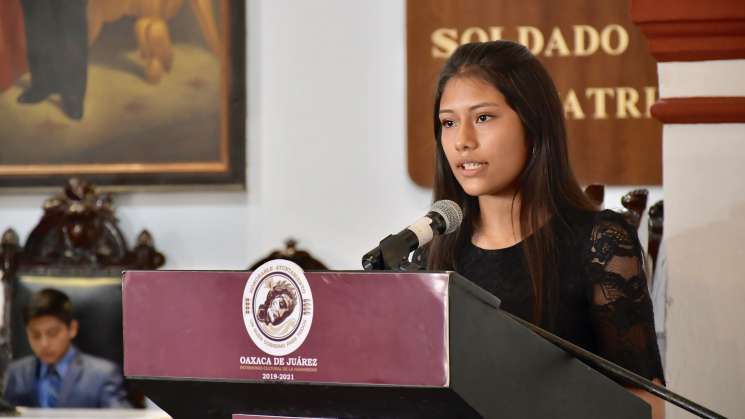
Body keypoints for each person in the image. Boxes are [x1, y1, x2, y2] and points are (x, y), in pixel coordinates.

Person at [415, 40, 665, 418]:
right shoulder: (429, 257)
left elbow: (646, 401)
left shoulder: (599, 242)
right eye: (448, 122)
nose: (462, 140)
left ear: (533, 124)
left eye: (483, 117)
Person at [2, 288, 130, 408]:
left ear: (72, 329)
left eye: (52, 333)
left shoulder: (102, 375)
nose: (44, 344)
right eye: (35, 335)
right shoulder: (16, 374)